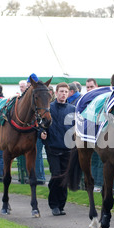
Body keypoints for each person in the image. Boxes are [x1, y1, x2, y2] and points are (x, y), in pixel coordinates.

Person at [40, 82, 75, 216]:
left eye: (66, 92)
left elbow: (76, 127)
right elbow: (41, 124)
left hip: (67, 148)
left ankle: (61, 204)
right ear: (56, 92)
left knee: (64, 177)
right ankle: (54, 204)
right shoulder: (49, 108)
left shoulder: (72, 109)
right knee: (56, 176)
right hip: (52, 147)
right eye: (61, 91)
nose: (63, 94)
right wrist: (41, 133)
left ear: (68, 93)